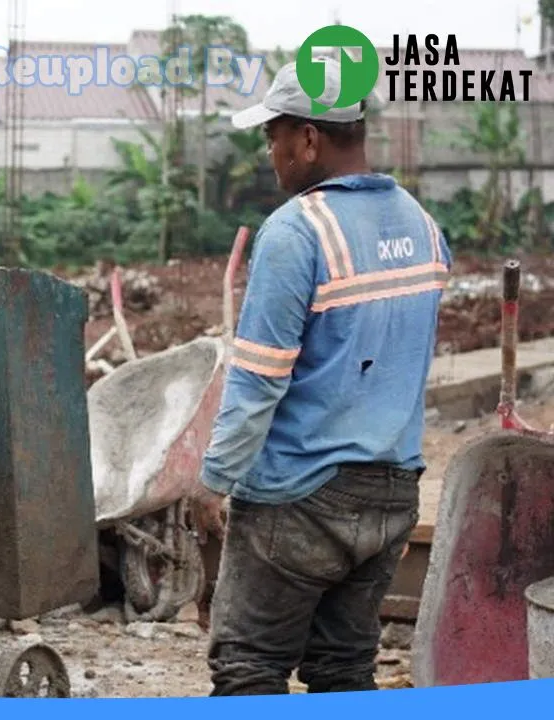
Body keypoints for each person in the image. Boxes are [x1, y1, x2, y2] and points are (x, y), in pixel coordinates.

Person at [191, 57, 450, 695]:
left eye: (273, 136)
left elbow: (257, 382)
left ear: (308, 138)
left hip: (299, 498)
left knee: (248, 667)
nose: (271, 152)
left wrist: (211, 482)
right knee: (344, 669)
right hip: (392, 493)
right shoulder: (422, 225)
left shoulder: (296, 233)